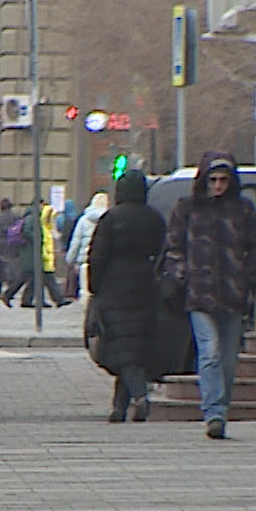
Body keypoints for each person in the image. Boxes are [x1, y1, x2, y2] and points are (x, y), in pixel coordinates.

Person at [161, 152, 256, 439]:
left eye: (223, 180)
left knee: (229, 359)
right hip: (199, 293)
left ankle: (222, 406)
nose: (218, 186)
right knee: (210, 352)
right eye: (213, 180)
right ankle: (214, 412)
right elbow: (173, 246)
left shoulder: (242, 210)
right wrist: (180, 272)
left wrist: (250, 274)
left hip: (233, 293)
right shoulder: (188, 208)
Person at [86, 171, 167, 422]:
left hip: (114, 288)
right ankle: (119, 407)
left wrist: (94, 287)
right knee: (131, 346)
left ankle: (139, 396)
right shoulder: (154, 218)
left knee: (122, 346)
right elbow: (163, 250)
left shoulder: (111, 219)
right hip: (145, 287)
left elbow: (97, 255)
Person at [66, 191, 111, 297]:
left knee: (85, 290)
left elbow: (76, 242)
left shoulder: (83, 220)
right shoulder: (109, 219)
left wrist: (70, 259)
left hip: (84, 261)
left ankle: (86, 309)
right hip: (103, 262)